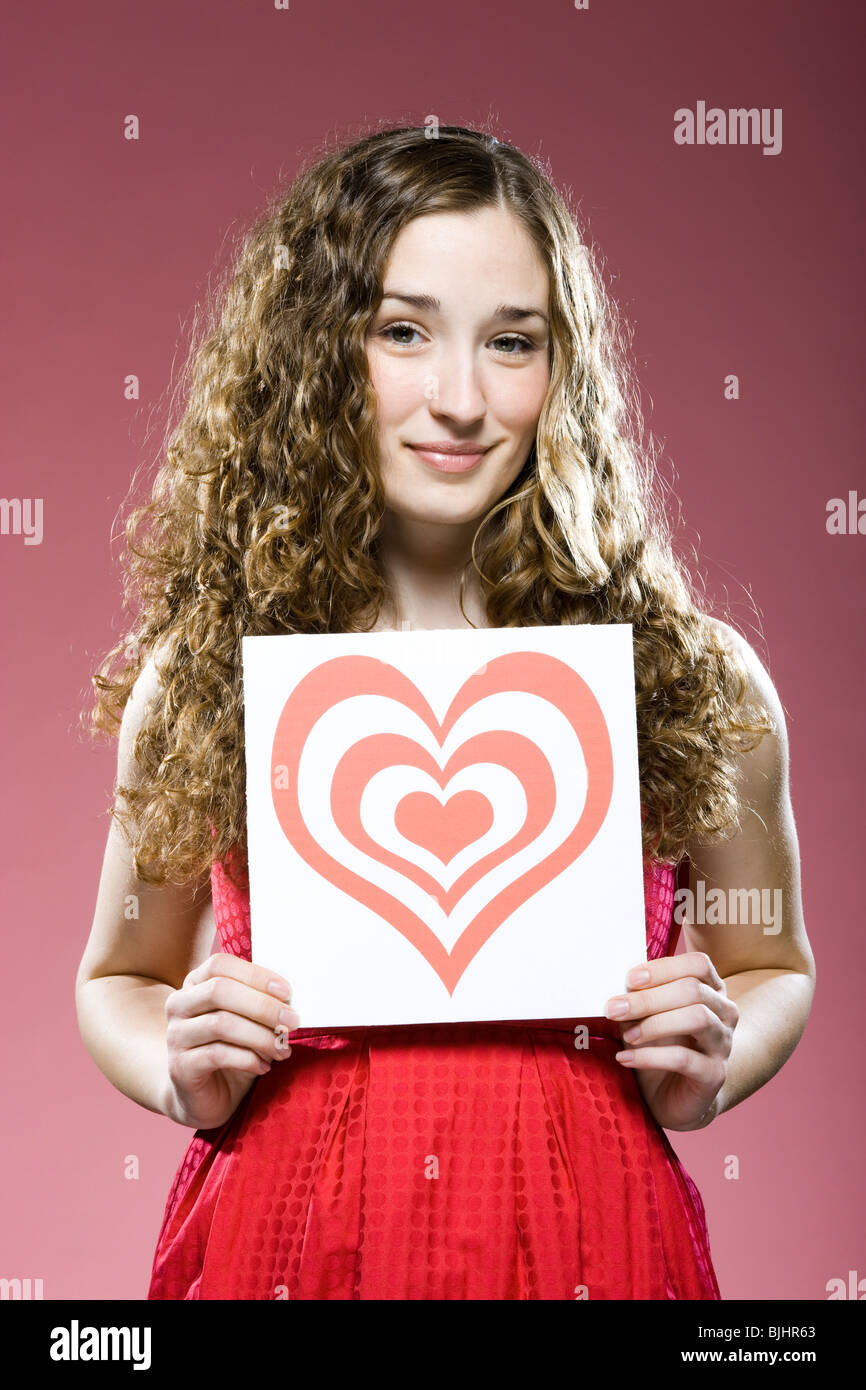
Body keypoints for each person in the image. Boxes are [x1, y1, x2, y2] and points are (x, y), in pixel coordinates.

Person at [75, 124, 815, 1300]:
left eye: (510, 341)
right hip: (290, 1236)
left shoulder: (690, 675)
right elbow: (118, 976)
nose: (459, 400)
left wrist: (711, 1061)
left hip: (591, 1232)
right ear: (317, 350)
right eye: (402, 331)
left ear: (561, 367)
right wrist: (178, 1064)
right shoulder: (206, 671)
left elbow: (771, 958)